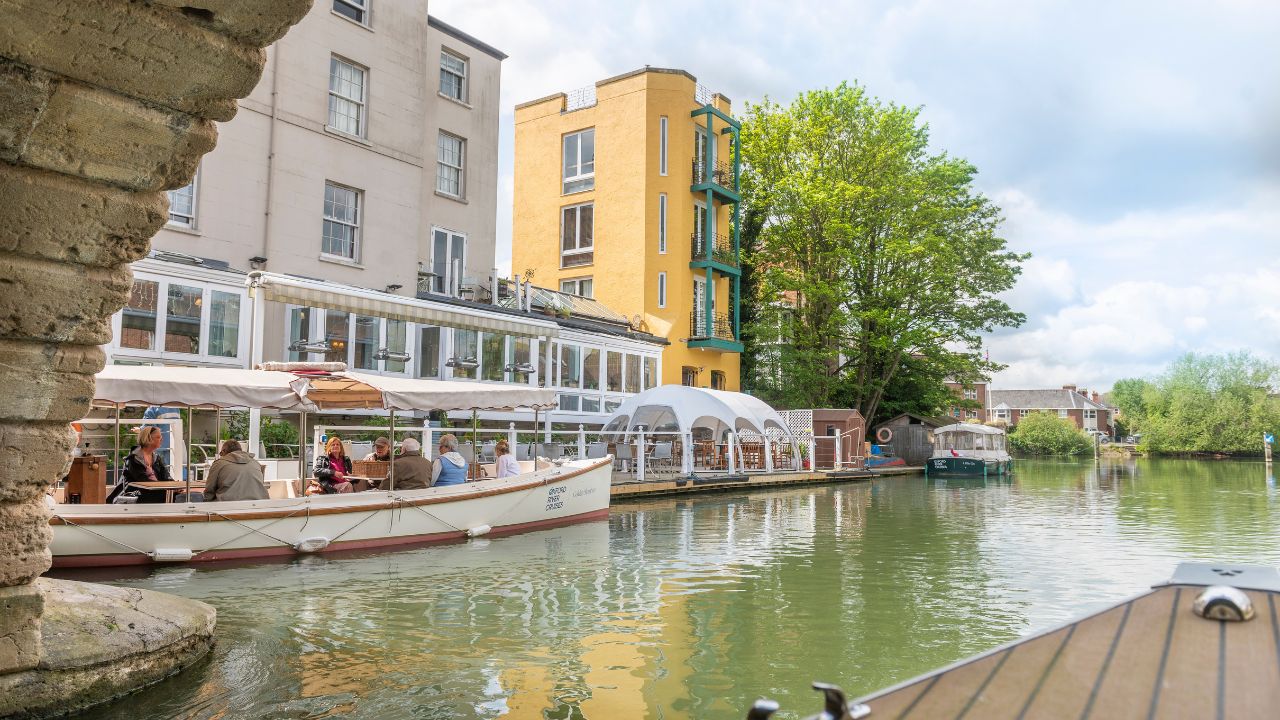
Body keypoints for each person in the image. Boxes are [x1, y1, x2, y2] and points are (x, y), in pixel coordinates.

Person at [203, 440, 268, 502]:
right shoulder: (255, 463)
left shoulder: (219, 464)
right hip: (259, 505)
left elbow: (209, 491)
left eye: (221, 453)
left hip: (228, 507)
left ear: (224, 451)